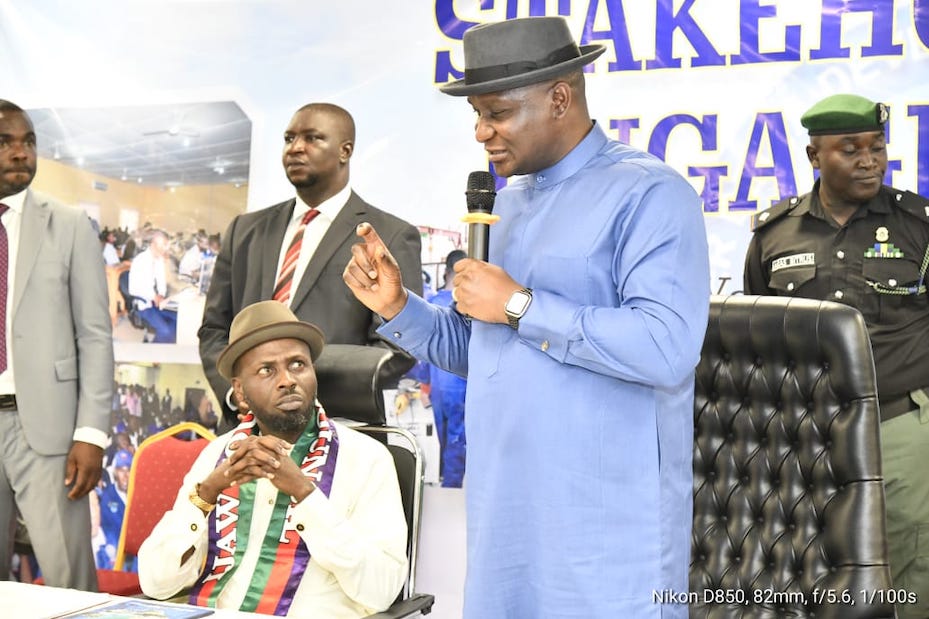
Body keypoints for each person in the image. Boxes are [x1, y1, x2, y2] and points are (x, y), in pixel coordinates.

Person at [343, 17, 710, 617]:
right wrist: (397, 305)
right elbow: (487, 350)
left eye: (496, 113)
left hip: (603, 534)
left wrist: (520, 306)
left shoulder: (650, 194)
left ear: (559, 98)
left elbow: (667, 347)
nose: (482, 132)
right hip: (506, 520)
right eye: (477, 117)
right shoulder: (505, 204)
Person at [744, 93, 929, 618]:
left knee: (912, 568)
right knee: (813, 567)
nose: (869, 159)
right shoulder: (774, 234)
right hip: (809, 436)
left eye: (877, 147)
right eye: (850, 149)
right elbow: (761, 338)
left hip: (901, 427)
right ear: (813, 155)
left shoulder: (919, 226)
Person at [139, 300, 407, 617]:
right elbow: (155, 583)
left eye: (297, 365)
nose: (287, 380)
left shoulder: (367, 459)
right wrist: (208, 493)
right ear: (240, 391)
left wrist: (305, 493)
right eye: (267, 370)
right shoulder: (217, 456)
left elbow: (382, 592)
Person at [199, 102, 423, 428]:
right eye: (289, 139)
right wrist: (240, 394)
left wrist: (293, 395)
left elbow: (397, 344)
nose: (295, 149)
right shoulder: (244, 231)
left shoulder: (388, 235)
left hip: (337, 432)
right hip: (244, 429)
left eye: (312, 138)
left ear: (345, 151)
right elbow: (214, 330)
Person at [0, 100, 114, 589]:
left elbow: (95, 335)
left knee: (69, 577)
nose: (21, 153)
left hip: (45, 429)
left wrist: (91, 433)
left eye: (28, 142)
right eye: (5, 142)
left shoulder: (67, 224)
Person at [427, 249, 468, 488]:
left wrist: (422, 381)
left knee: (440, 438)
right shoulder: (465, 305)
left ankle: (441, 477)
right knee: (457, 439)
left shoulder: (430, 302)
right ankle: (451, 486)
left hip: (436, 386)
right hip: (460, 385)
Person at [128, 228, 177, 343]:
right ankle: (154, 357)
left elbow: (161, 282)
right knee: (165, 331)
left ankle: (164, 346)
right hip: (144, 304)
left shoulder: (158, 260)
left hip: (156, 302)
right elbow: (134, 289)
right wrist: (154, 297)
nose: (166, 248)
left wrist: (161, 294)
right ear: (153, 244)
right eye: (163, 245)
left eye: (166, 245)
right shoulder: (141, 261)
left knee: (179, 320)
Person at [95, 449, 132, 570]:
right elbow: (106, 527)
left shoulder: (140, 495)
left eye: (129, 470)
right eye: (121, 470)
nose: (126, 476)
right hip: (116, 555)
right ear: (115, 472)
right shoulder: (107, 497)